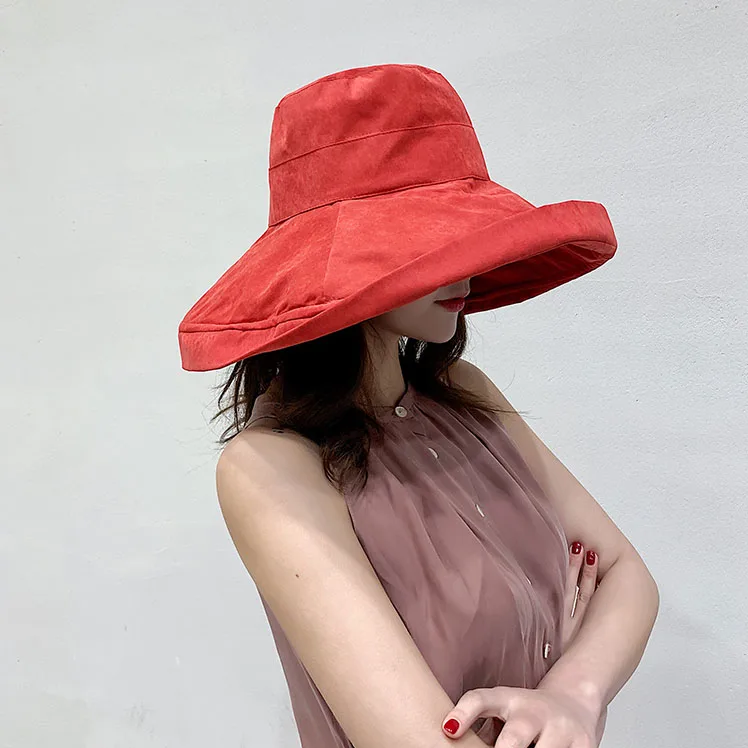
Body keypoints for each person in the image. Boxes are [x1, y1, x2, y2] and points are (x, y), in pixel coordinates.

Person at [177, 64, 647, 747]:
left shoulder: (468, 396)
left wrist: (573, 692)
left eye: (463, 233)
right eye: (424, 241)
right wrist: (567, 646)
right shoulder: (268, 467)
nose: (461, 266)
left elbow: (628, 576)